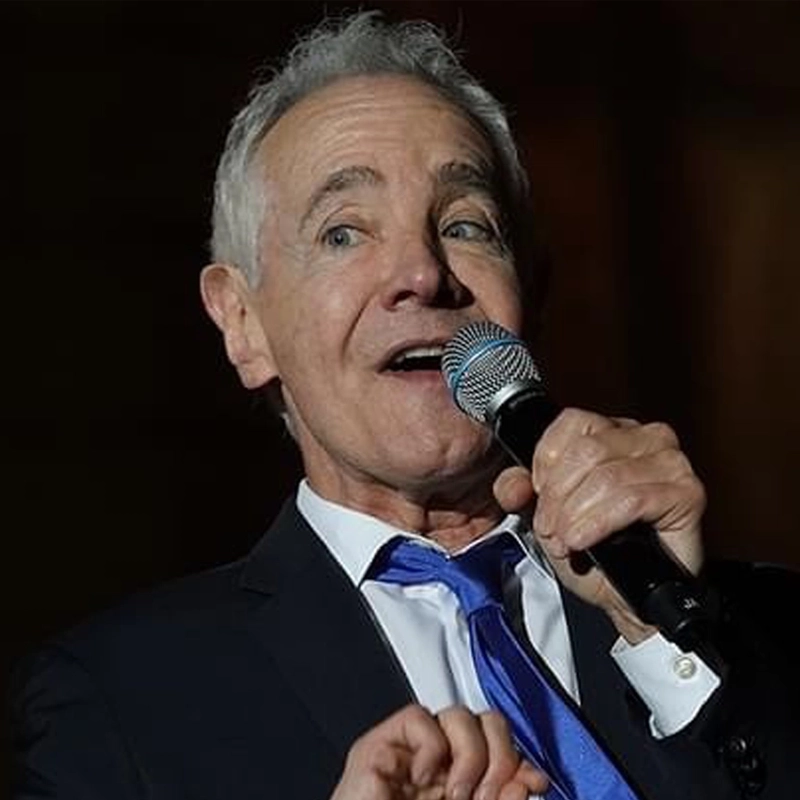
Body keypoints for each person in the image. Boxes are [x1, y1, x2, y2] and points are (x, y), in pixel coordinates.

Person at [11, 11, 799, 800]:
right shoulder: (118, 703)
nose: (423, 274)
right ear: (243, 324)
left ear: (534, 289)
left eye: (465, 225)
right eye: (344, 234)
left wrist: (667, 637)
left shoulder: (766, 631)